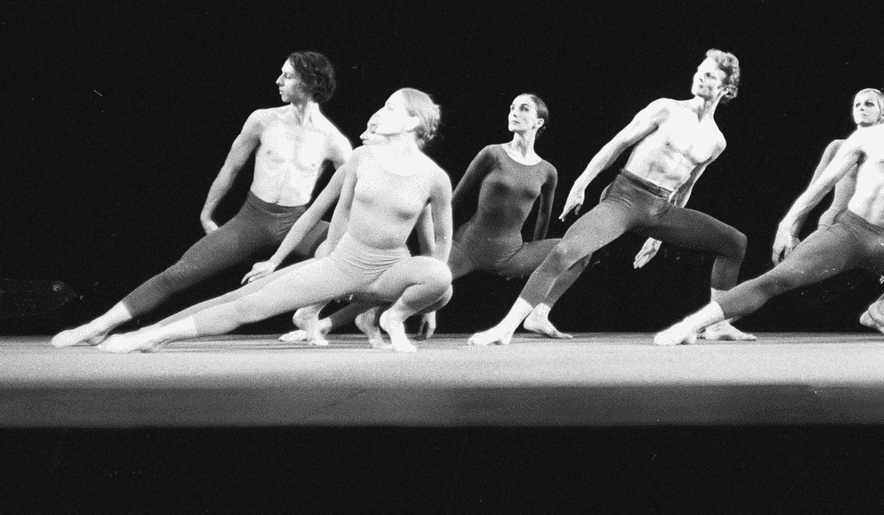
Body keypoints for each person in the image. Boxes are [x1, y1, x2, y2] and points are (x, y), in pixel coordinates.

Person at [97, 88, 452, 354]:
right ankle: (152, 335)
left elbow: (442, 242)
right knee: (247, 305)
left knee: (441, 279)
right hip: (346, 263)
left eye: (390, 108)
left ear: (413, 122)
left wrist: (426, 303)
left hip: (390, 270)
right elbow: (339, 213)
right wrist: (328, 264)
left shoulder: (434, 177)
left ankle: (392, 319)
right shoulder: (361, 157)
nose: (379, 112)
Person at [654, 55, 884, 346]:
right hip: (850, 234)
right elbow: (820, 186)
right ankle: (691, 324)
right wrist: (787, 224)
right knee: (776, 280)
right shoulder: (867, 137)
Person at [50, 53, 352, 347]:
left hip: (297, 222)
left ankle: (311, 314)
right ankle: (97, 327)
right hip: (252, 220)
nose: (278, 81)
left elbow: (354, 192)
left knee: (344, 252)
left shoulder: (333, 140)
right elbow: (230, 168)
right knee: (178, 274)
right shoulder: (263, 120)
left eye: (287, 76)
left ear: (309, 83)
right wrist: (207, 214)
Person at [469, 50, 749, 346]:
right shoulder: (666, 109)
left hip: (661, 209)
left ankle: (719, 324)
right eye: (699, 71)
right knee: (565, 252)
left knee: (734, 242)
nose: (699, 78)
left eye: (709, 76)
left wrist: (656, 239)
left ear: (726, 88)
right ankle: (507, 327)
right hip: (625, 200)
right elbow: (616, 144)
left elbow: (687, 184)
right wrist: (581, 184)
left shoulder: (717, 141)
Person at [283, 93, 594, 343]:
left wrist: (533, 261)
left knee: (580, 251)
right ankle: (322, 322)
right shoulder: (492, 154)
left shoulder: (547, 171)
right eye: (512, 107)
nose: (514, 112)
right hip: (467, 247)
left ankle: (540, 313)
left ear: (538, 121)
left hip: (511, 252)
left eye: (523, 109)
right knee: (393, 287)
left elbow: (543, 217)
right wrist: (435, 256)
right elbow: (452, 200)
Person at [808, 88, 884, 229]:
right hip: (835, 222)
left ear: (883, 113)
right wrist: (791, 232)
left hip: (871, 229)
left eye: (869, 104)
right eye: (857, 105)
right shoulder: (837, 147)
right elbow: (812, 192)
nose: (861, 108)